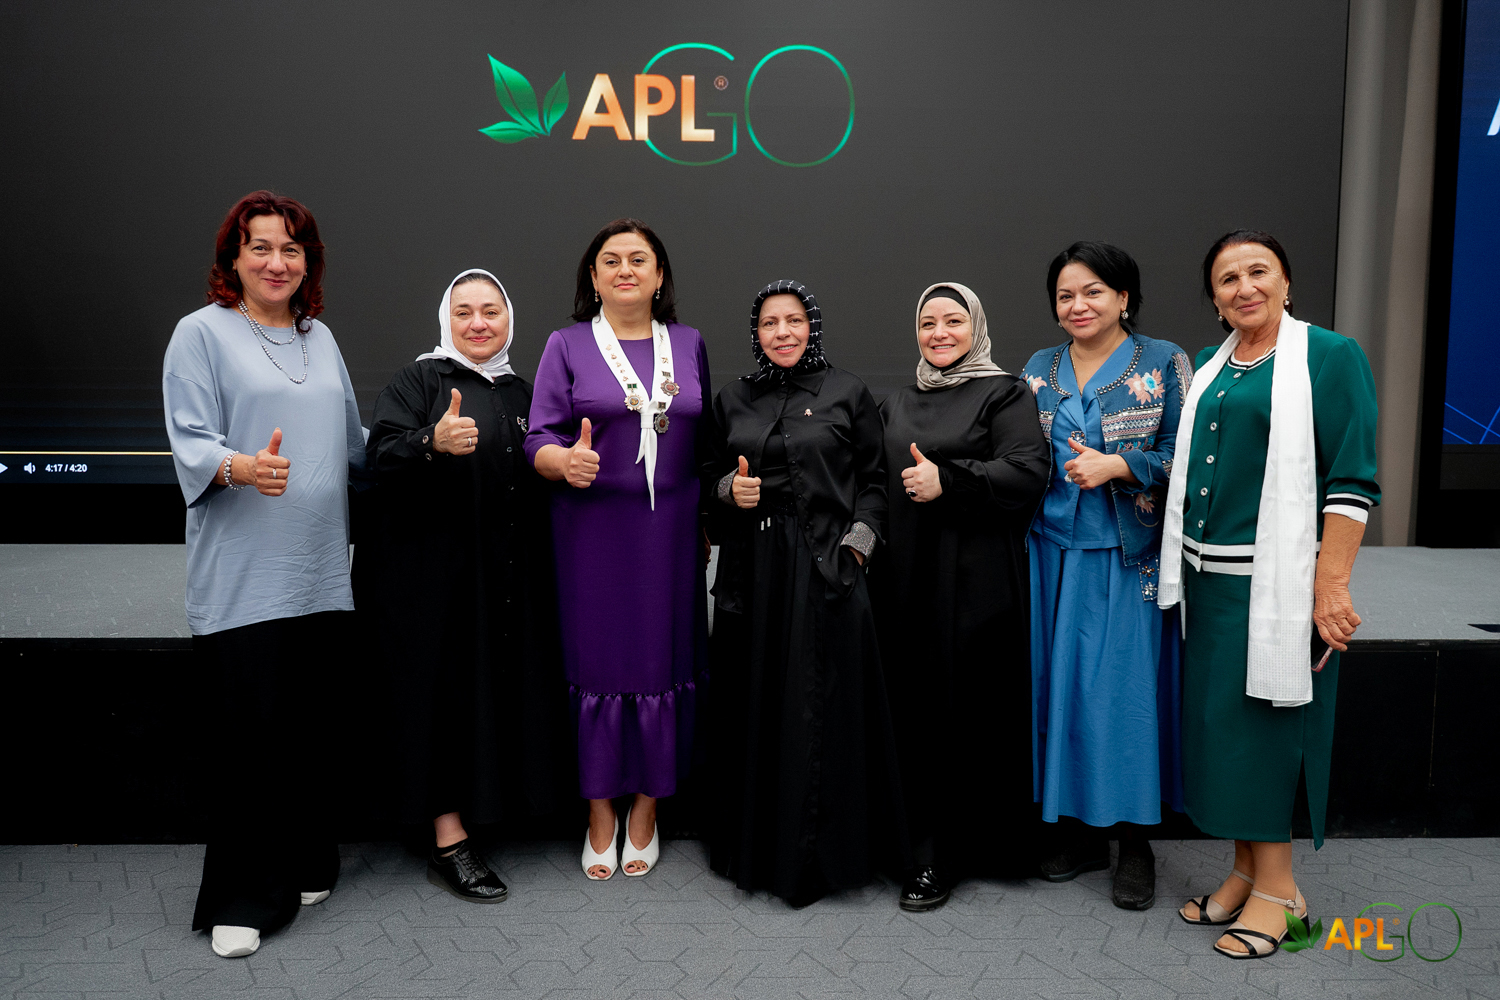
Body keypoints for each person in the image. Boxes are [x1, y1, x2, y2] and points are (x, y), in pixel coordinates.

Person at [1162, 230, 1379, 959]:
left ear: (1287, 282)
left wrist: (1331, 586)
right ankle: (1246, 872)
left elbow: (1352, 481)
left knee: (1263, 737)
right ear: (1215, 298)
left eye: (1259, 272)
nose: (1244, 287)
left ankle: (1280, 893)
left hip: (1273, 586)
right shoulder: (1212, 364)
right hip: (1207, 582)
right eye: (1227, 279)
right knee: (1223, 737)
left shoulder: (1329, 356)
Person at [162, 191, 365, 958]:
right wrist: (241, 466)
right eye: (261, 247)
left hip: (322, 570)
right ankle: (243, 899)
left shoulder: (320, 337)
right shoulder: (200, 334)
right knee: (252, 744)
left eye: (291, 249)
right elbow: (190, 441)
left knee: (309, 732)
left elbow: (352, 442)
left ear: (308, 262)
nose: (277, 262)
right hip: (244, 578)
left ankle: (310, 862)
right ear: (233, 257)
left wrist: (428, 444)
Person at [358, 269, 569, 903]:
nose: (478, 324)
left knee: (490, 691)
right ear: (446, 321)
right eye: (464, 312)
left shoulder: (525, 391)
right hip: (433, 582)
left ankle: (493, 810)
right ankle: (448, 840)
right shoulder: (420, 380)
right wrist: (432, 440)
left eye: (491, 311)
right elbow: (379, 456)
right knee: (442, 698)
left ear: (510, 320)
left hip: (504, 577)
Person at [704, 279, 905, 908]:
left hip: (828, 569)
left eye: (794, 321)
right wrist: (728, 492)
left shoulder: (847, 392)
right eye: (769, 323)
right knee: (757, 701)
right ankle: (757, 848)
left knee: (821, 709)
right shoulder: (733, 398)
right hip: (753, 573)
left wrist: (858, 547)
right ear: (756, 333)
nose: (782, 332)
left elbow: (875, 482)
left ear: (811, 325)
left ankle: (824, 857)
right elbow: (707, 475)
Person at [524, 219, 710, 881]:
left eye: (639, 259)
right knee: (600, 663)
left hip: (671, 535)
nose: (625, 270)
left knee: (664, 658)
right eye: (611, 260)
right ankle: (600, 809)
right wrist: (560, 461)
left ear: (659, 276)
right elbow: (538, 436)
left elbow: (705, 438)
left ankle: (648, 807)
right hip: (592, 535)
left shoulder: (688, 343)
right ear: (594, 276)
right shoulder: (567, 344)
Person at [1020, 243, 1191, 910]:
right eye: (1065, 295)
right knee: (1058, 691)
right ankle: (1076, 829)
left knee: (1122, 697)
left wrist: (1120, 466)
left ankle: (1134, 840)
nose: (1078, 305)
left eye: (1093, 291)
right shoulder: (1038, 368)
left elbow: (1189, 453)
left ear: (1123, 297)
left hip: (1128, 556)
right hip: (1050, 552)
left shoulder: (1164, 361)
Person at [871, 282, 1051, 911]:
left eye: (953, 321)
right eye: (928, 322)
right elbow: (870, 479)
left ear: (976, 326)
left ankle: (948, 853)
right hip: (904, 578)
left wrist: (947, 479)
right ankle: (909, 842)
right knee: (913, 709)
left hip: (974, 581)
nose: (939, 333)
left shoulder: (1004, 393)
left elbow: (1028, 471)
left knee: (964, 709)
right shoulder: (896, 402)